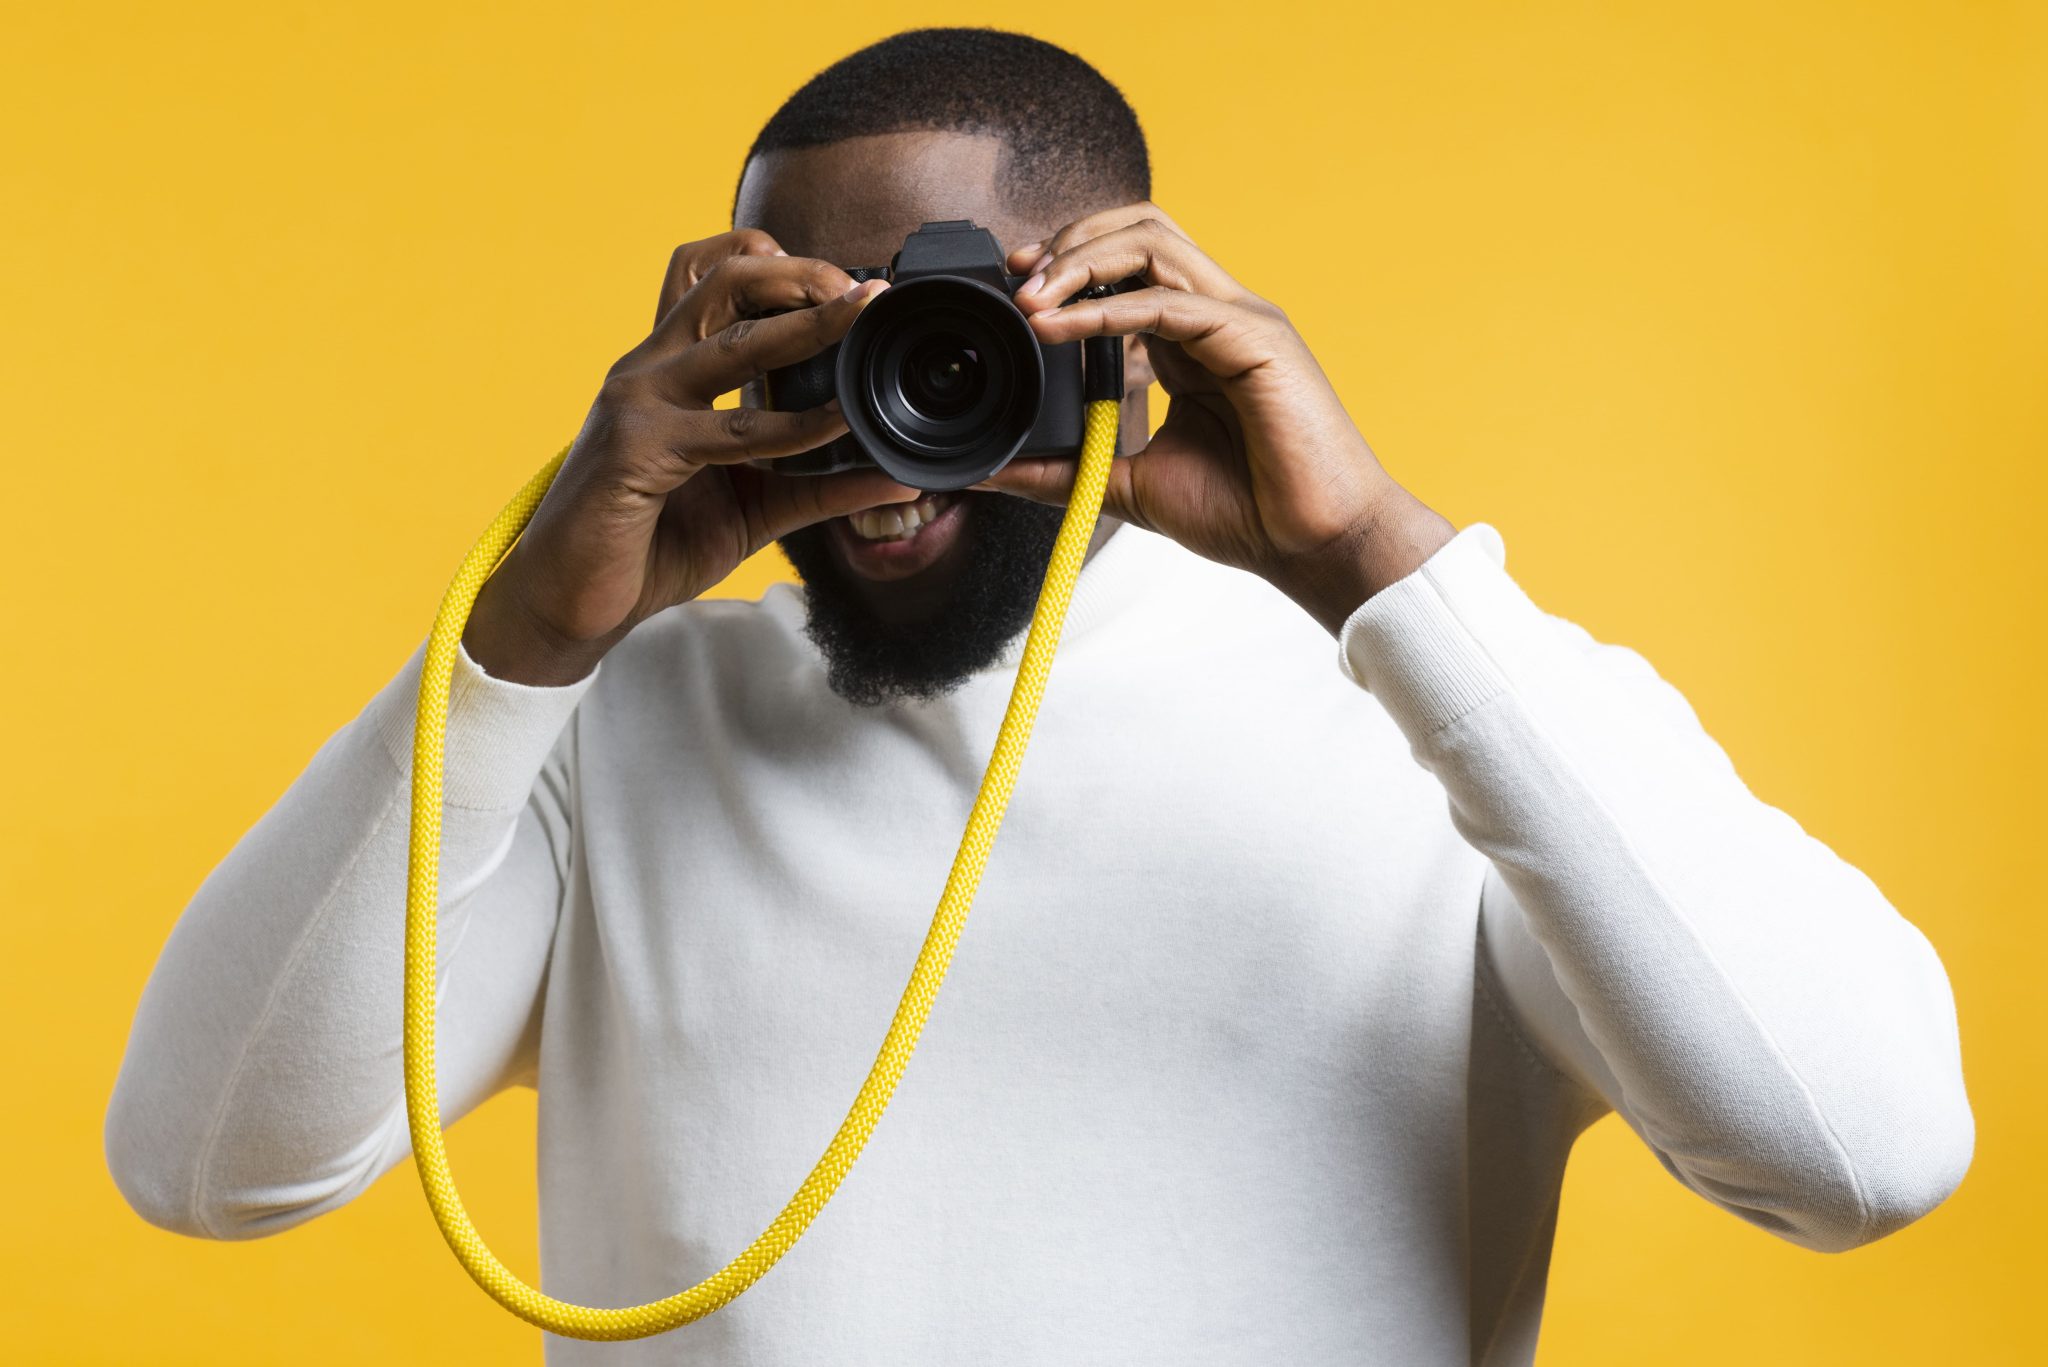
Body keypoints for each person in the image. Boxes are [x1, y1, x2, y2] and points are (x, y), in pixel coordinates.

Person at [105, 27, 1973, 1367]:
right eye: (817, 345)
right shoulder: (606, 730)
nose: (891, 422)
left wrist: (1373, 563)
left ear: (1120, 329)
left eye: (958, 340)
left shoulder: (1449, 719)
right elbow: (207, 1166)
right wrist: (522, 639)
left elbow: (1861, 1154)